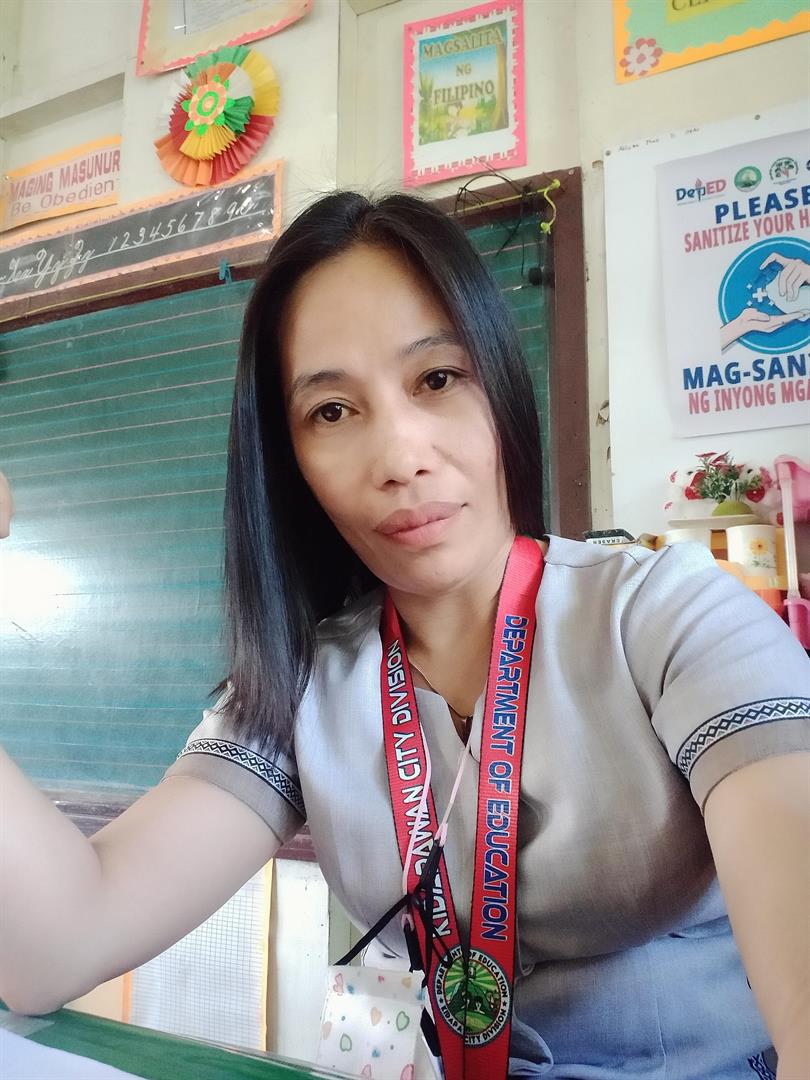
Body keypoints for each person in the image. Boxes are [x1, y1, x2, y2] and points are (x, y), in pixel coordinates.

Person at [1, 192, 809, 1080]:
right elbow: (56, 949)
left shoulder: (669, 617)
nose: (400, 457)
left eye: (437, 379)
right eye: (332, 412)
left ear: (499, 384)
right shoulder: (301, 682)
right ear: (291, 461)